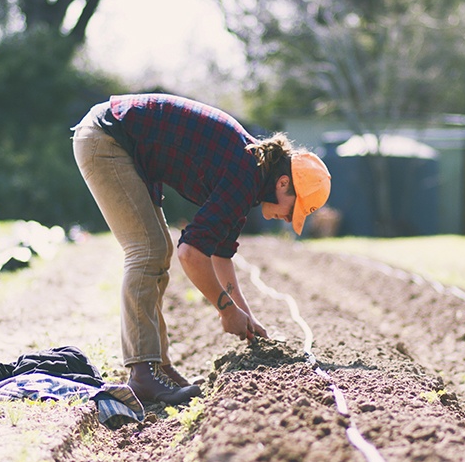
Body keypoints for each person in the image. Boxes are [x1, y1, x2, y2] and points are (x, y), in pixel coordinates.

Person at [71, 93, 331, 406]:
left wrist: (245, 316)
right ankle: (142, 373)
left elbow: (220, 255)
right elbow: (191, 253)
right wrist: (225, 309)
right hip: (107, 138)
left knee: (157, 248)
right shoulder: (244, 174)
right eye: (293, 211)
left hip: (123, 141)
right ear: (284, 183)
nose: (289, 219)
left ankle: (159, 367)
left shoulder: (251, 174)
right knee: (147, 249)